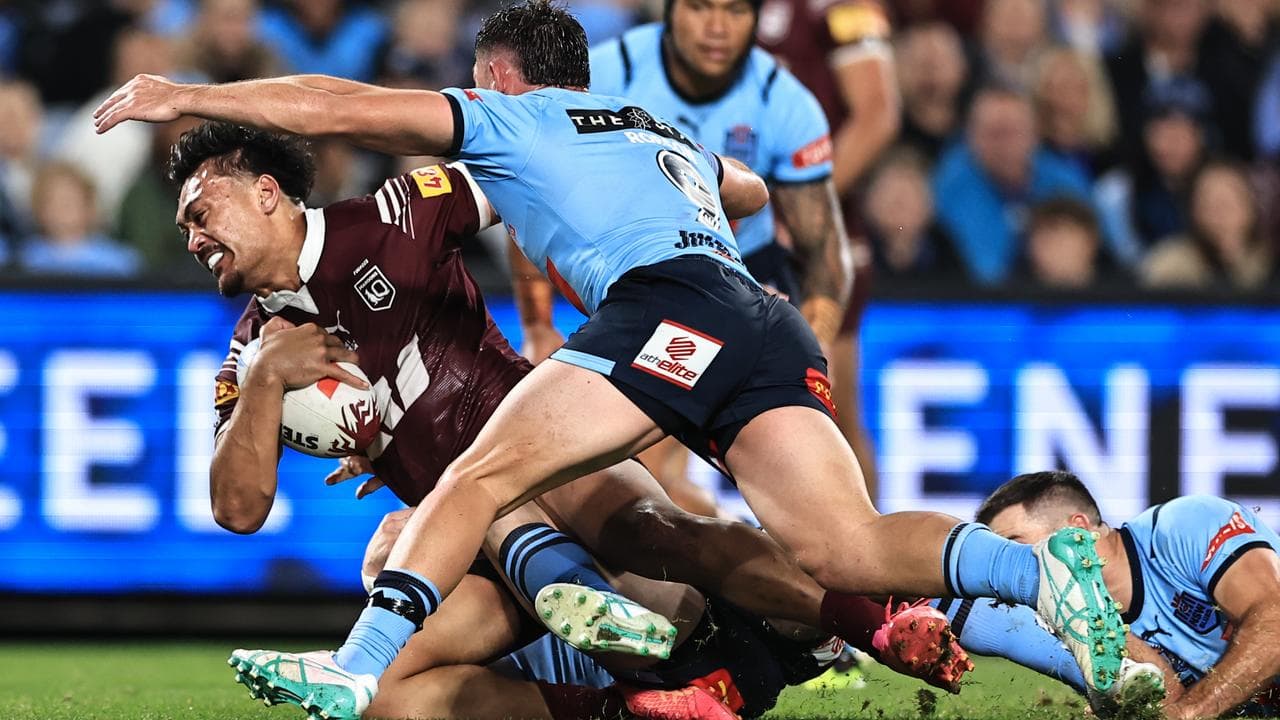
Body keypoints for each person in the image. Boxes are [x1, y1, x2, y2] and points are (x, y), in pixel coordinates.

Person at [94, 4, 1145, 718]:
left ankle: (353, 667)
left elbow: (335, 106)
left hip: (657, 309)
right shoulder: (647, 125)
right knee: (848, 544)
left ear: (498, 75)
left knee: (477, 481)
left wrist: (187, 95)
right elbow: (743, 189)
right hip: (756, 311)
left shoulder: (505, 118)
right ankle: (1033, 571)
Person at [172, 120, 967, 716]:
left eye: (201, 211)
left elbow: (531, 179)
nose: (193, 236)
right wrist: (269, 382)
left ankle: (870, 619)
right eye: (183, 230)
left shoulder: (396, 214)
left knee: (662, 534)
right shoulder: (250, 354)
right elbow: (236, 508)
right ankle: (628, 709)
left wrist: (617, 268)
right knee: (388, 701)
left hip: (541, 455)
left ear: (266, 191)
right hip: (459, 541)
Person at [526, 0, 850, 513]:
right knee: (648, 472)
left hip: (746, 284)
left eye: (735, 11)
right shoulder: (606, 74)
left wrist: (814, 345)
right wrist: (537, 323)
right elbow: (529, 189)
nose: (717, 28)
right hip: (633, 279)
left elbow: (825, 255)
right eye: (700, 7)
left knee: (805, 493)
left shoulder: (785, 102)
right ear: (668, 10)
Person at [971, 471, 1280, 720]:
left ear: (1078, 529)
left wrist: (1190, 712)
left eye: (1016, 545)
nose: (1014, 566)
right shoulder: (1071, 620)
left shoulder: (1184, 525)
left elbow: (1275, 619)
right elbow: (1164, 700)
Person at [756, 0, 898, 498]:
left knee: (828, 408)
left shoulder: (843, 6)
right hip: (730, 223)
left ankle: (866, 566)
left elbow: (876, 114)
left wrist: (801, 207)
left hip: (810, 238)